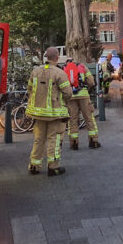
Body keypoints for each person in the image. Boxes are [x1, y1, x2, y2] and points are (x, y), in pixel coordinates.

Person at [27, 47, 73, 176]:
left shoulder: (35, 72)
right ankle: (53, 167)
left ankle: (34, 165)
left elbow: (29, 89)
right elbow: (68, 93)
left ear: (46, 57)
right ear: (57, 57)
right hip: (55, 114)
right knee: (54, 138)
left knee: (39, 138)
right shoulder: (59, 73)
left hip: (38, 113)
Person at [63, 59, 100, 149]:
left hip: (71, 96)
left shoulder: (64, 69)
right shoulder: (83, 67)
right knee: (89, 118)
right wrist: (87, 89)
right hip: (83, 95)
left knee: (73, 120)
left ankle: (74, 143)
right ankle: (93, 141)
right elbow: (91, 81)